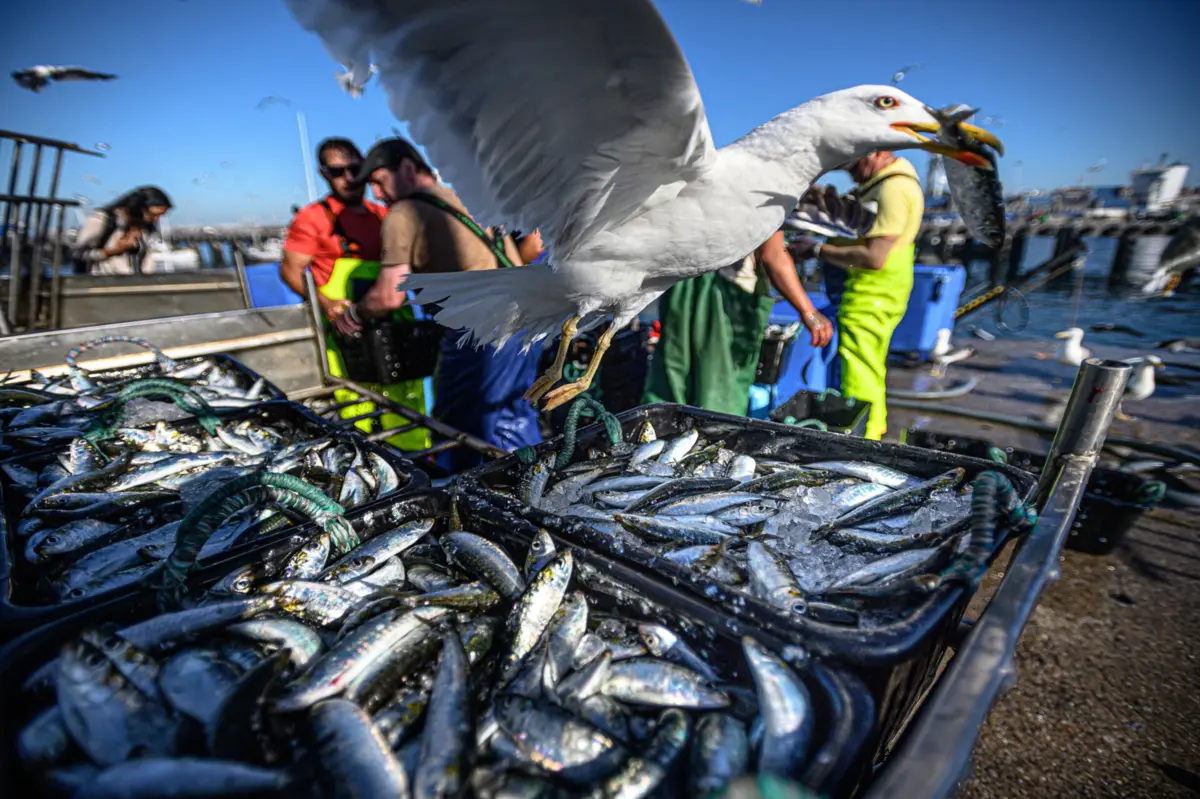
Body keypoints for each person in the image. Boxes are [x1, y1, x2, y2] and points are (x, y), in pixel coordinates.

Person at [342, 137, 542, 472]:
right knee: (513, 416)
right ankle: (534, 485)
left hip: (478, 337)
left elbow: (390, 296)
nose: (376, 194)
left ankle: (466, 507)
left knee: (457, 431)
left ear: (407, 168)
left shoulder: (404, 212)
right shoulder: (471, 198)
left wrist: (354, 313)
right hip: (528, 324)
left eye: (378, 181)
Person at [280, 137, 429, 450]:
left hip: (395, 325)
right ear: (324, 174)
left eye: (355, 169)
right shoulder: (313, 217)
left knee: (408, 393)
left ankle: (416, 456)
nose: (349, 178)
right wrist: (327, 304)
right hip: (348, 331)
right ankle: (369, 458)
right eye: (338, 172)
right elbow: (291, 270)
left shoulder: (383, 214)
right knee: (357, 401)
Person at [790, 151, 925, 440]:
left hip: (871, 292)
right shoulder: (879, 184)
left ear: (877, 151)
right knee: (869, 366)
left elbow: (874, 257)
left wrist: (816, 250)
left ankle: (863, 440)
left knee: (857, 369)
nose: (851, 174)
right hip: (868, 290)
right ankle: (874, 425)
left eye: (854, 165)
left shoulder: (893, 188)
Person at [642, 229, 832, 415]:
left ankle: (654, 429)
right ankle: (718, 439)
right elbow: (773, 255)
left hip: (680, 282)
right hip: (726, 298)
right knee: (721, 389)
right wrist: (808, 311)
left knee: (671, 374)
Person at [72, 186, 172, 275]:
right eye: (153, 215)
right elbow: (78, 255)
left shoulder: (144, 227)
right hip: (103, 286)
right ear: (139, 208)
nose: (157, 219)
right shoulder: (103, 220)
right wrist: (111, 251)